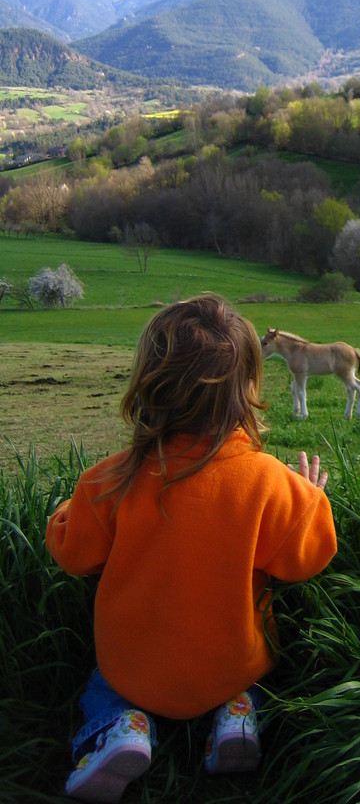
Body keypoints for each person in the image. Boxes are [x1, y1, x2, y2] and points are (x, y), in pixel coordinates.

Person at [46, 293, 337, 803]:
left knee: (102, 690)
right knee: (250, 683)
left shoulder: (111, 480)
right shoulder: (267, 481)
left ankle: (123, 727)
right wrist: (309, 498)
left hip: (133, 670)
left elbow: (73, 554)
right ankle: (236, 718)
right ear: (248, 389)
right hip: (232, 666)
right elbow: (306, 558)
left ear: (150, 385)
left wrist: (62, 515)